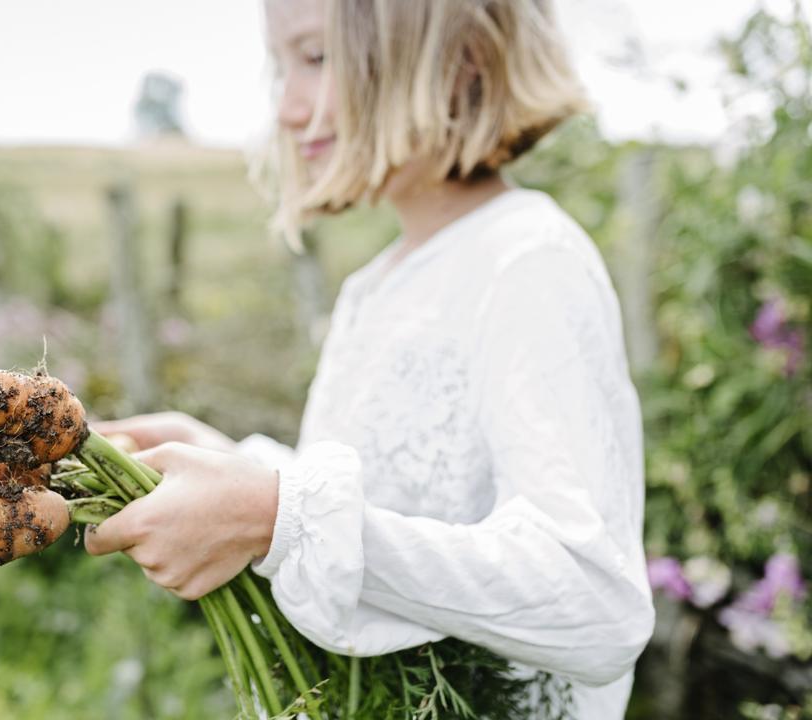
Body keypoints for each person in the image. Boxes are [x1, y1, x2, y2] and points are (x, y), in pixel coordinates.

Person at [84, 0, 656, 716]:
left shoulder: (528, 262)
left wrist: (273, 513)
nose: (287, 109)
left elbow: (595, 601)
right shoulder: (377, 286)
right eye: (279, 67)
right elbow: (385, 506)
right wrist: (237, 465)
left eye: (317, 58)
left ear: (459, 59)